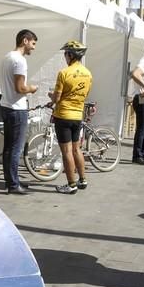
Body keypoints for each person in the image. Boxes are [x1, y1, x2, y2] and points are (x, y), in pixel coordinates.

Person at [48, 40, 92, 194]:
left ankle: (71, 184)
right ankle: (82, 180)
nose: (65, 57)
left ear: (71, 55)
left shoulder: (64, 73)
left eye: (65, 54)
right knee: (76, 149)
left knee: (66, 151)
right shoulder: (88, 73)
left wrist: (50, 96)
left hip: (63, 116)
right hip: (77, 116)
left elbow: (57, 98)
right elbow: (84, 95)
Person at [0, 29, 39, 195]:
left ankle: (11, 181)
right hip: (17, 109)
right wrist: (32, 88)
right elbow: (20, 87)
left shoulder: (6, 57)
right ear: (25, 41)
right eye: (33, 43)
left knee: (8, 147)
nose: (34, 48)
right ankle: (14, 185)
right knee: (16, 149)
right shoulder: (20, 60)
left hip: (6, 106)